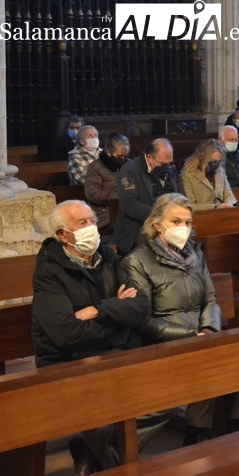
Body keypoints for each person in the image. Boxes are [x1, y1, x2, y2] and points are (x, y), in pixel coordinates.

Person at [31, 201, 150, 473]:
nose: (91, 228)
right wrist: (118, 317)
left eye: (93, 221)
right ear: (62, 235)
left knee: (163, 394)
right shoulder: (49, 272)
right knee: (103, 416)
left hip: (115, 353)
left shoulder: (107, 257)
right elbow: (66, 334)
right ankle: (111, 465)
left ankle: (90, 450)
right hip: (70, 361)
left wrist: (99, 309)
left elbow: (141, 307)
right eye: (81, 223)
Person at [122, 193, 239, 446]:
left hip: (201, 334)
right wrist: (193, 336)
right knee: (205, 358)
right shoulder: (137, 261)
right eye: (176, 221)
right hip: (164, 341)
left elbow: (211, 298)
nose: (184, 228)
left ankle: (236, 425)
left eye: (188, 222)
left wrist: (209, 328)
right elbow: (144, 320)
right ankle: (196, 433)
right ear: (158, 224)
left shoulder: (195, 254)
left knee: (236, 354)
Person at [113, 138, 179, 256]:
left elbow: (180, 196)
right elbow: (130, 204)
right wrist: (161, 217)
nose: (167, 167)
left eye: (170, 163)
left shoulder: (170, 170)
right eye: (163, 164)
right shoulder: (130, 170)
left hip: (169, 221)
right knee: (158, 244)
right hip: (138, 225)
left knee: (188, 238)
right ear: (149, 158)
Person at [84, 132, 130, 230]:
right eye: (118, 156)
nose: (122, 159)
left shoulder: (129, 165)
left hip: (128, 209)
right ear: (108, 152)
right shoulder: (95, 167)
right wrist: (119, 197)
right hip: (106, 212)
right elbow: (92, 193)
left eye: (124, 156)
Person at [180, 139, 238, 210]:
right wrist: (215, 207)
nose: (216, 164)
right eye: (213, 161)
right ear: (202, 158)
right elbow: (190, 205)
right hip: (201, 216)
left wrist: (228, 204)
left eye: (219, 161)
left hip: (222, 213)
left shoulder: (220, 171)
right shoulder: (188, 175)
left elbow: (228, 194)